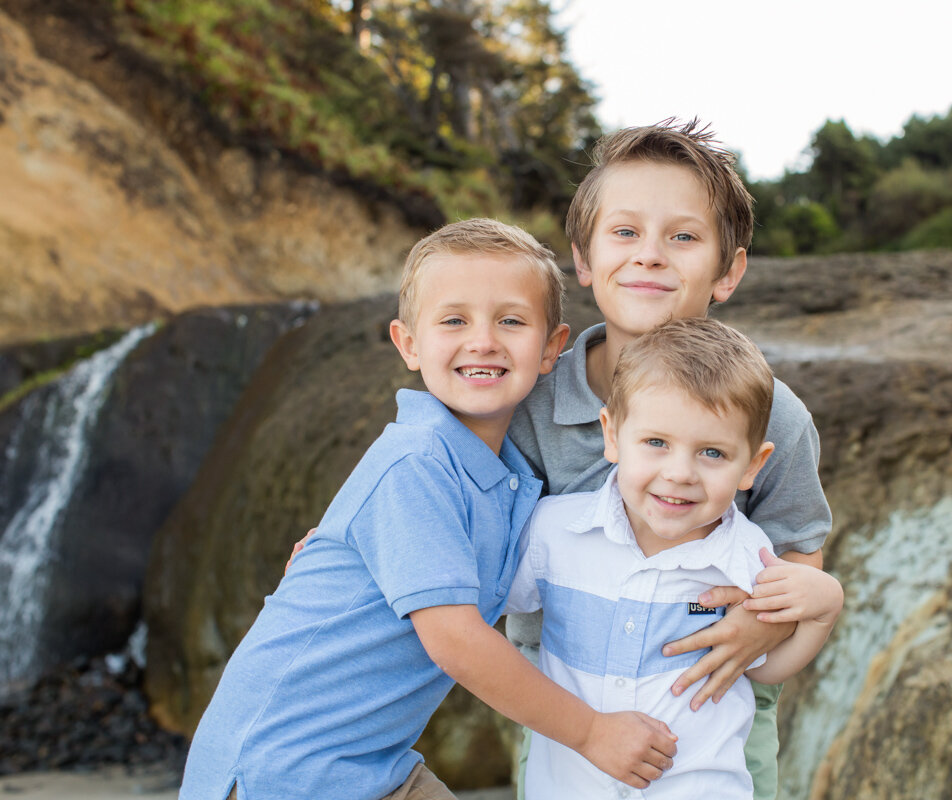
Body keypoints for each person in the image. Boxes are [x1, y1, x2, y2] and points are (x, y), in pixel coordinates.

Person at [180, 219, 678, 800]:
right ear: (409, 344)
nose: (484, 341)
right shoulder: (416, 463)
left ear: (551, 348)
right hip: (283, 769)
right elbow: (458, 641)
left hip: (372, 766)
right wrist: (592, 732)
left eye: (511, 321)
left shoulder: (511, 477)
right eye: (454, 321)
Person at [505, 119, 835, 799]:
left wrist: (759, 624)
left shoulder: (776, 416)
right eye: (625, 233)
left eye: (683, 237)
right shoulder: (531, 403)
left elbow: (799, 549)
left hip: (717, 704)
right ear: (584, 259)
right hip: (565, 707)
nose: (650, 255)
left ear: (729, 268)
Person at [507, 318, 843, 799]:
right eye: (656, 443)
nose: (680, 473)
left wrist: (824, 610)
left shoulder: (752, 559)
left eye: (711, 452)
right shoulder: (554, 533)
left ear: (752, 464)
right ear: (612, 434)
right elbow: (479, 614)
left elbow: (765, 668)